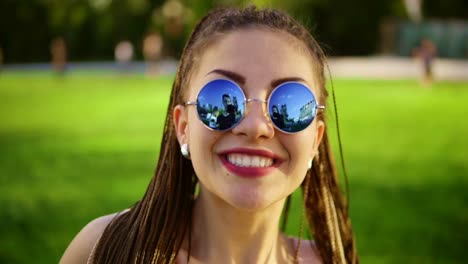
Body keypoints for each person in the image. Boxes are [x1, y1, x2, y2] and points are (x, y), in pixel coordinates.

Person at [60, 6, 358, 264]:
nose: (255, 127)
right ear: (183, 127)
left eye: (288, 103)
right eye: (222, 97)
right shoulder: (106, 250)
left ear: (315, 141)